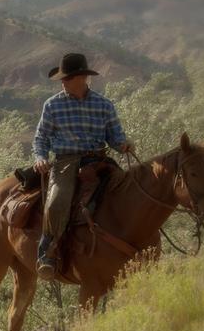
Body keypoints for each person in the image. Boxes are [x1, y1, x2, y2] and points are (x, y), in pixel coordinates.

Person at [32, 53, 132, 278]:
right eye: (62, 79)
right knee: (57, 202)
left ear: (81, 78)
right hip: (66, 162)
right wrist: (40, 157)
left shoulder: (104, 105)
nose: (62, 82)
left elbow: (115, 136)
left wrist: (123, 145)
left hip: (99, 160)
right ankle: (46, 253)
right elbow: (41, 138)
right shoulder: (52, 105)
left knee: (127, 191)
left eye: (66, 78)